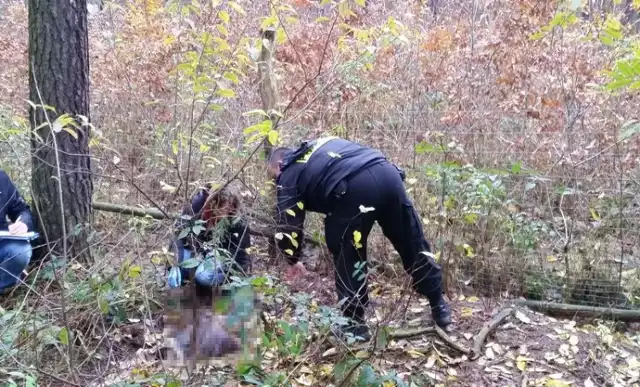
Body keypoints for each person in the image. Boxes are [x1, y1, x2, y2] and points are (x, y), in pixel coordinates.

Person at [267, 137, 452, 341]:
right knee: (412, 242)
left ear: (279, 164)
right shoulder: (319, 145)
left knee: (348, 252)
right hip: (388, 174)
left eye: (274, 177)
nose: (276, 183)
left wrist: (291, 259)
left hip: (354, 188)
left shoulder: (289, 171)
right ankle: (439, 305)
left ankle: (355, 327)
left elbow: (288, 225)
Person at [167, 183, 252, 295]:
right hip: (197, 250)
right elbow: (179, 236)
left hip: (220, 255)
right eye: (224, 206)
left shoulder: (238, 220)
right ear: (213, 203)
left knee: (203, 276)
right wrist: (175, 264)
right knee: (182, 268)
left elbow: (242, 254)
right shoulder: (197, 206)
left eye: (231, 205)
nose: (228, 209)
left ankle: (211, 284)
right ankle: (190, 281)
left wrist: (237, 278)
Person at [0, 169, 35, 295]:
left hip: (2, 242)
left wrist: (23, 223)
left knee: (20, 251)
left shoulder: (2, 179)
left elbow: (22, 210)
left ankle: (3, 286)